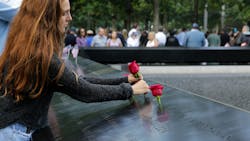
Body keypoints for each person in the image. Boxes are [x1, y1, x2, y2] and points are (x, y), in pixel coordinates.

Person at [0, 0, 150, 141]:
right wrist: (130, 90)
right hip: (14, 134)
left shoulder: (28, 46)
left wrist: (125, 80)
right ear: (48, 17)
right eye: (65, 13)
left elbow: (77, 81)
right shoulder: (42, 57)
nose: (70, 18)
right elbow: (85, 91)